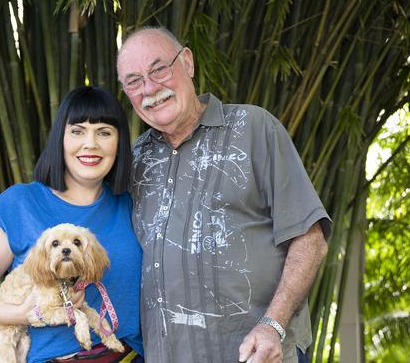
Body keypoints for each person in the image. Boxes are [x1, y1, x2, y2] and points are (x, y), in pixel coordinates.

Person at [116, 27, 332, 363]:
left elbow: (310, 239)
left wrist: (272, 325)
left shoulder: (254, 128)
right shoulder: (132, 162)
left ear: (187, 62)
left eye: (159, 69)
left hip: (260, 355)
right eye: (134, 80)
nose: (150, 88)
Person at [0, 86, 144, 363]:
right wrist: (24, 313)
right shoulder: (20, 204)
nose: (91, 143)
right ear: (60, 139)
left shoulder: (133, 204)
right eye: (77, 131)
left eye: (104, 132)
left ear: (119, 142)